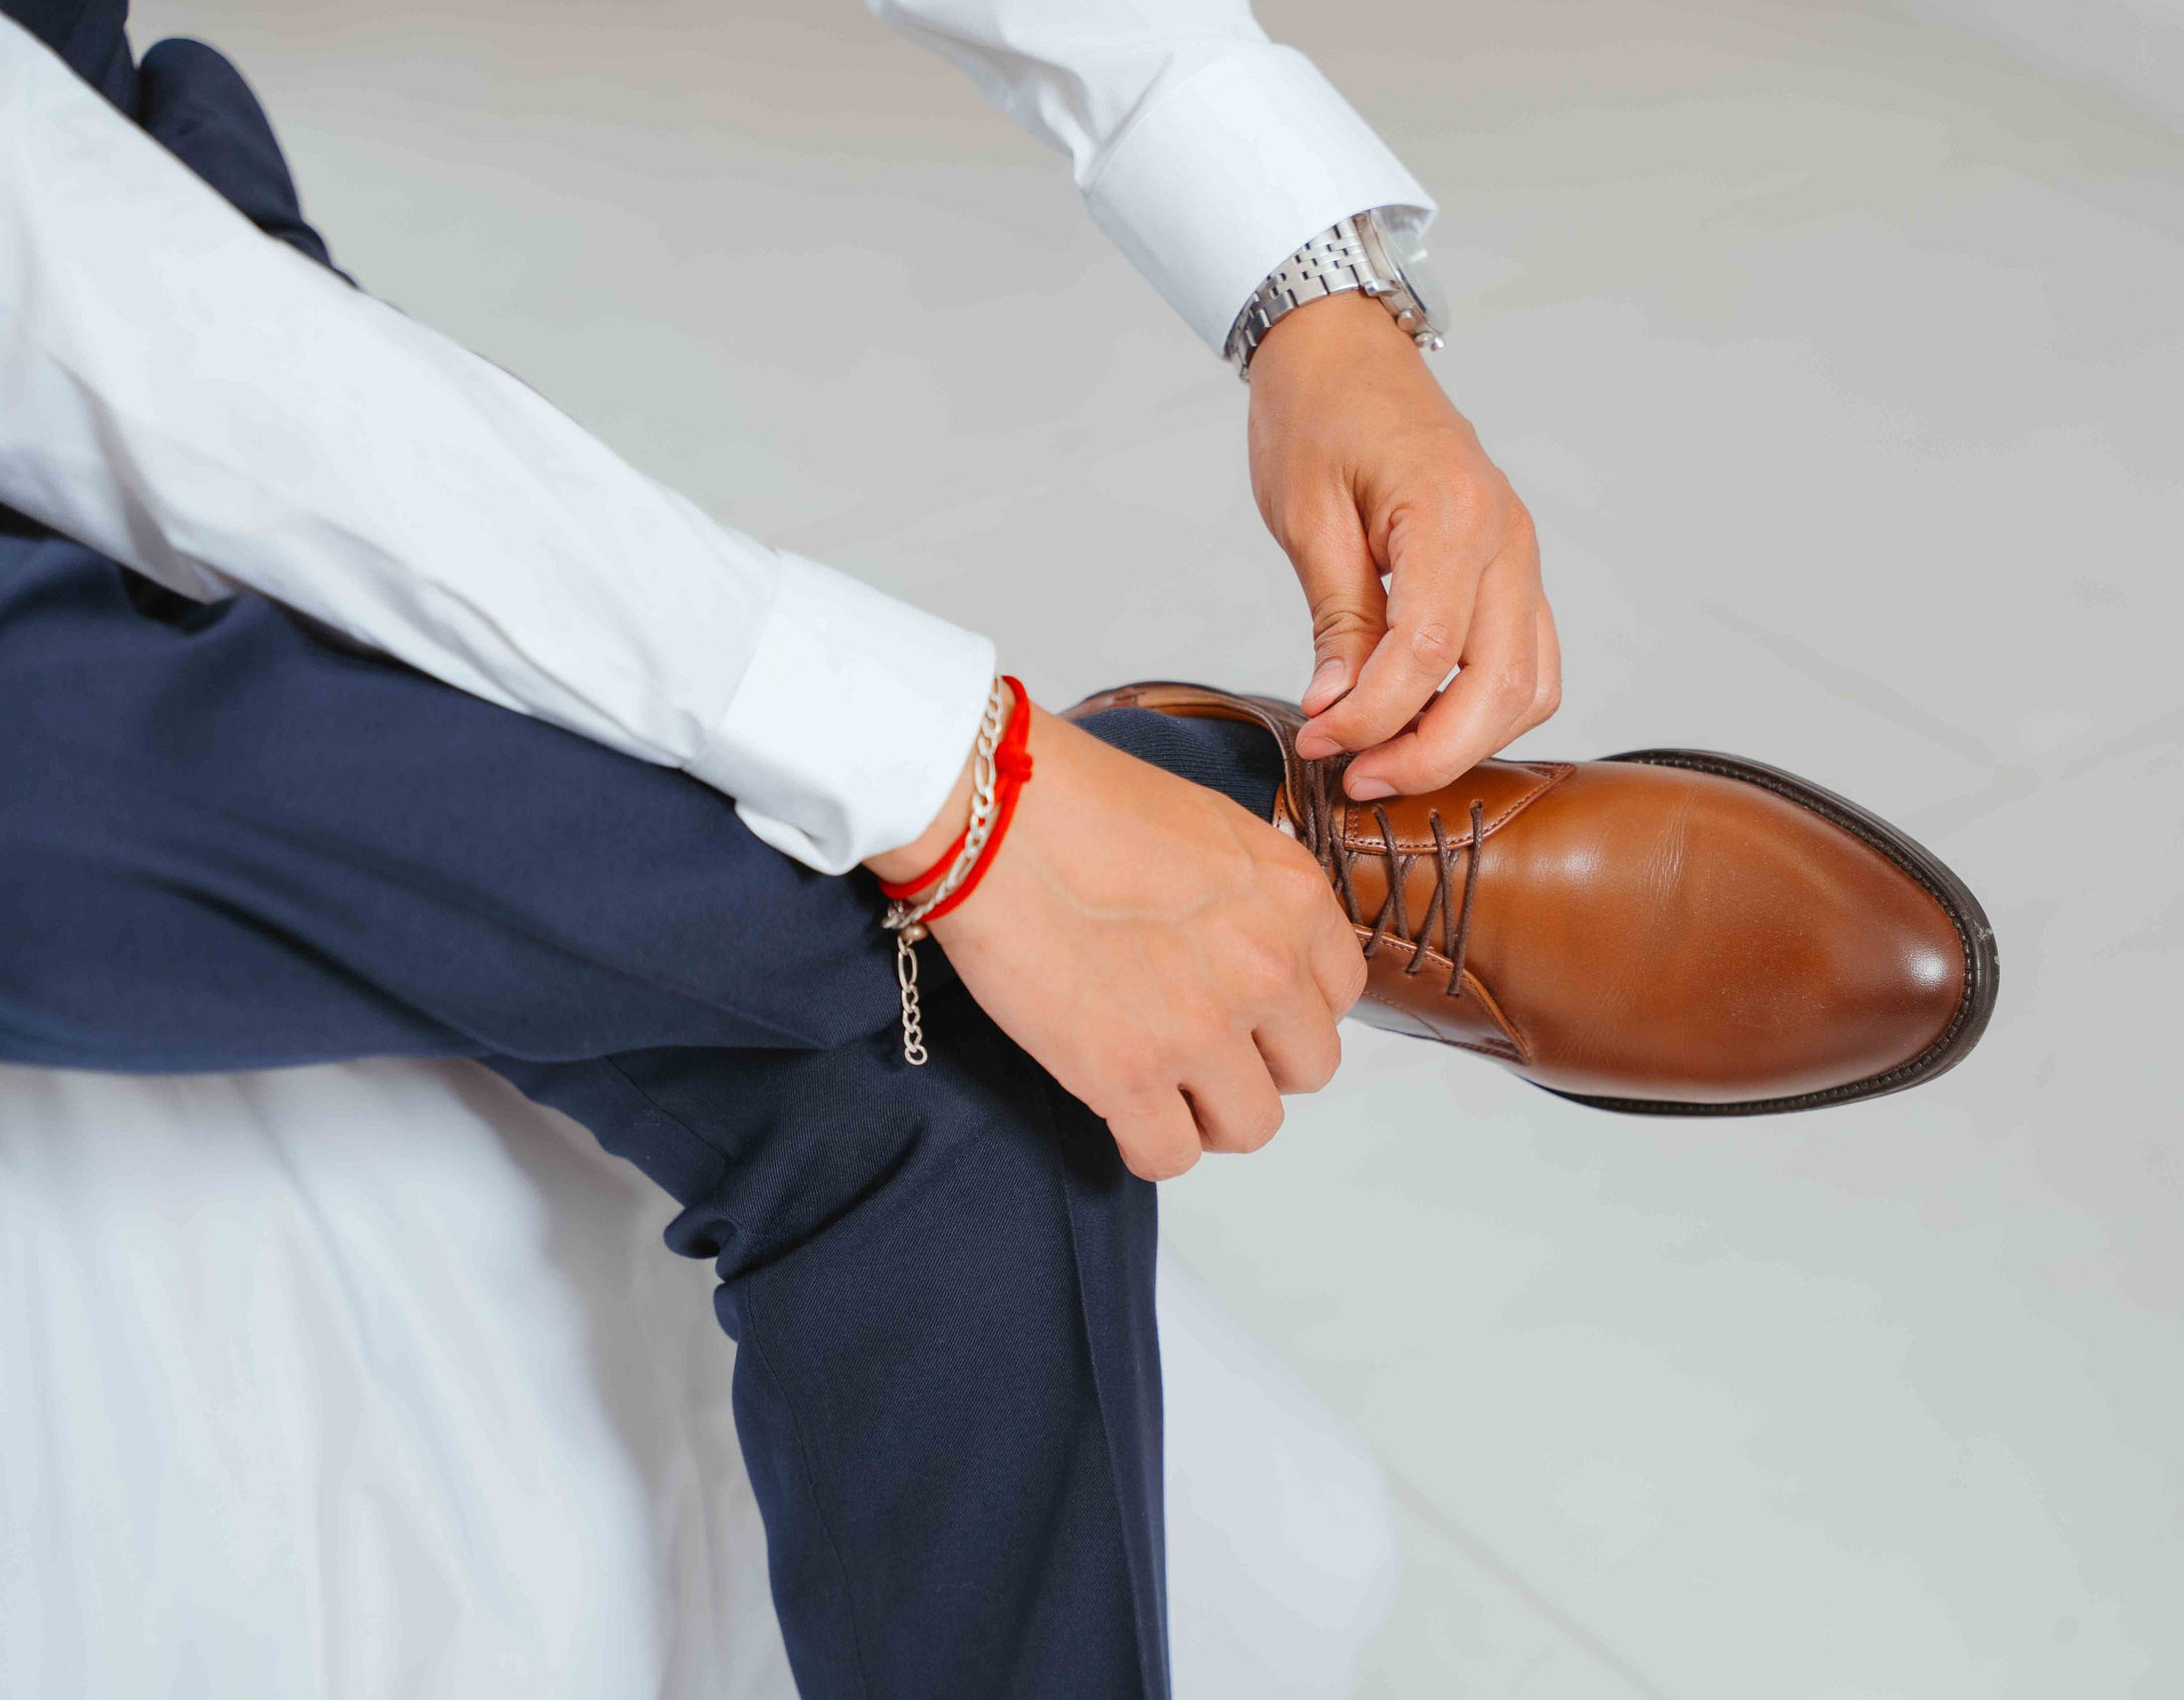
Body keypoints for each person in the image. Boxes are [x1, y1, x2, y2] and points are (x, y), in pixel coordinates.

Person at [0, 3, 1994, 1694]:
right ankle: (1224, 811)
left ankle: (1180, 819)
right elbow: (68, 296)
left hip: (144, 258)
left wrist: (1305, 282)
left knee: (962, 1054)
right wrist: (969, 785)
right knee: (950, 964)